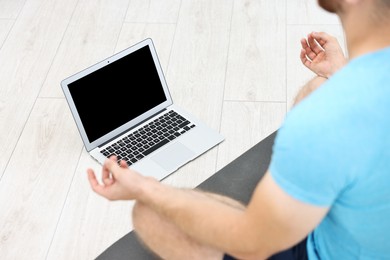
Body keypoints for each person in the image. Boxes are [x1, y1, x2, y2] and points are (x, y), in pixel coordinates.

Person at [87, 0, 390, 259]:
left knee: (149, 214)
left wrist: (144, 187)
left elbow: (252, 243)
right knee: (318, 86)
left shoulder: (328, 120)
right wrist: (345, 73)